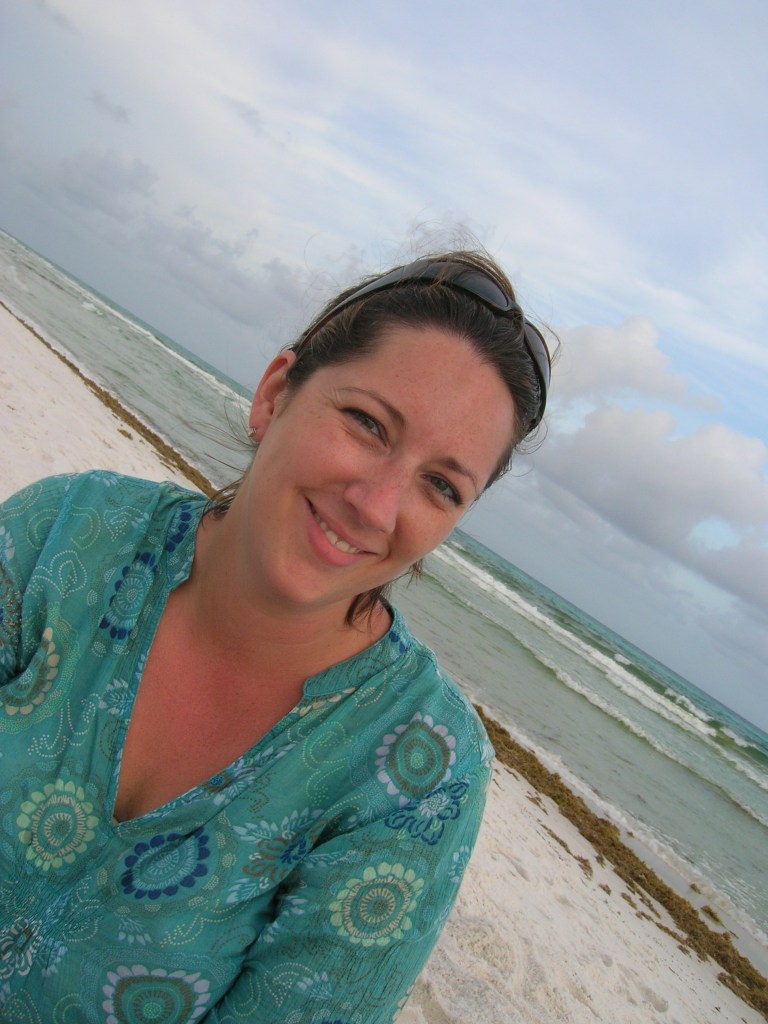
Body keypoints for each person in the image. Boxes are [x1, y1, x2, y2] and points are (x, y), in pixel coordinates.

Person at [0, 251, 551, 1021]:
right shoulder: (70, 538)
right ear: (274, 393)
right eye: (368, 423)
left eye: (440, 485)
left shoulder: (417, 778)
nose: (377, 504)